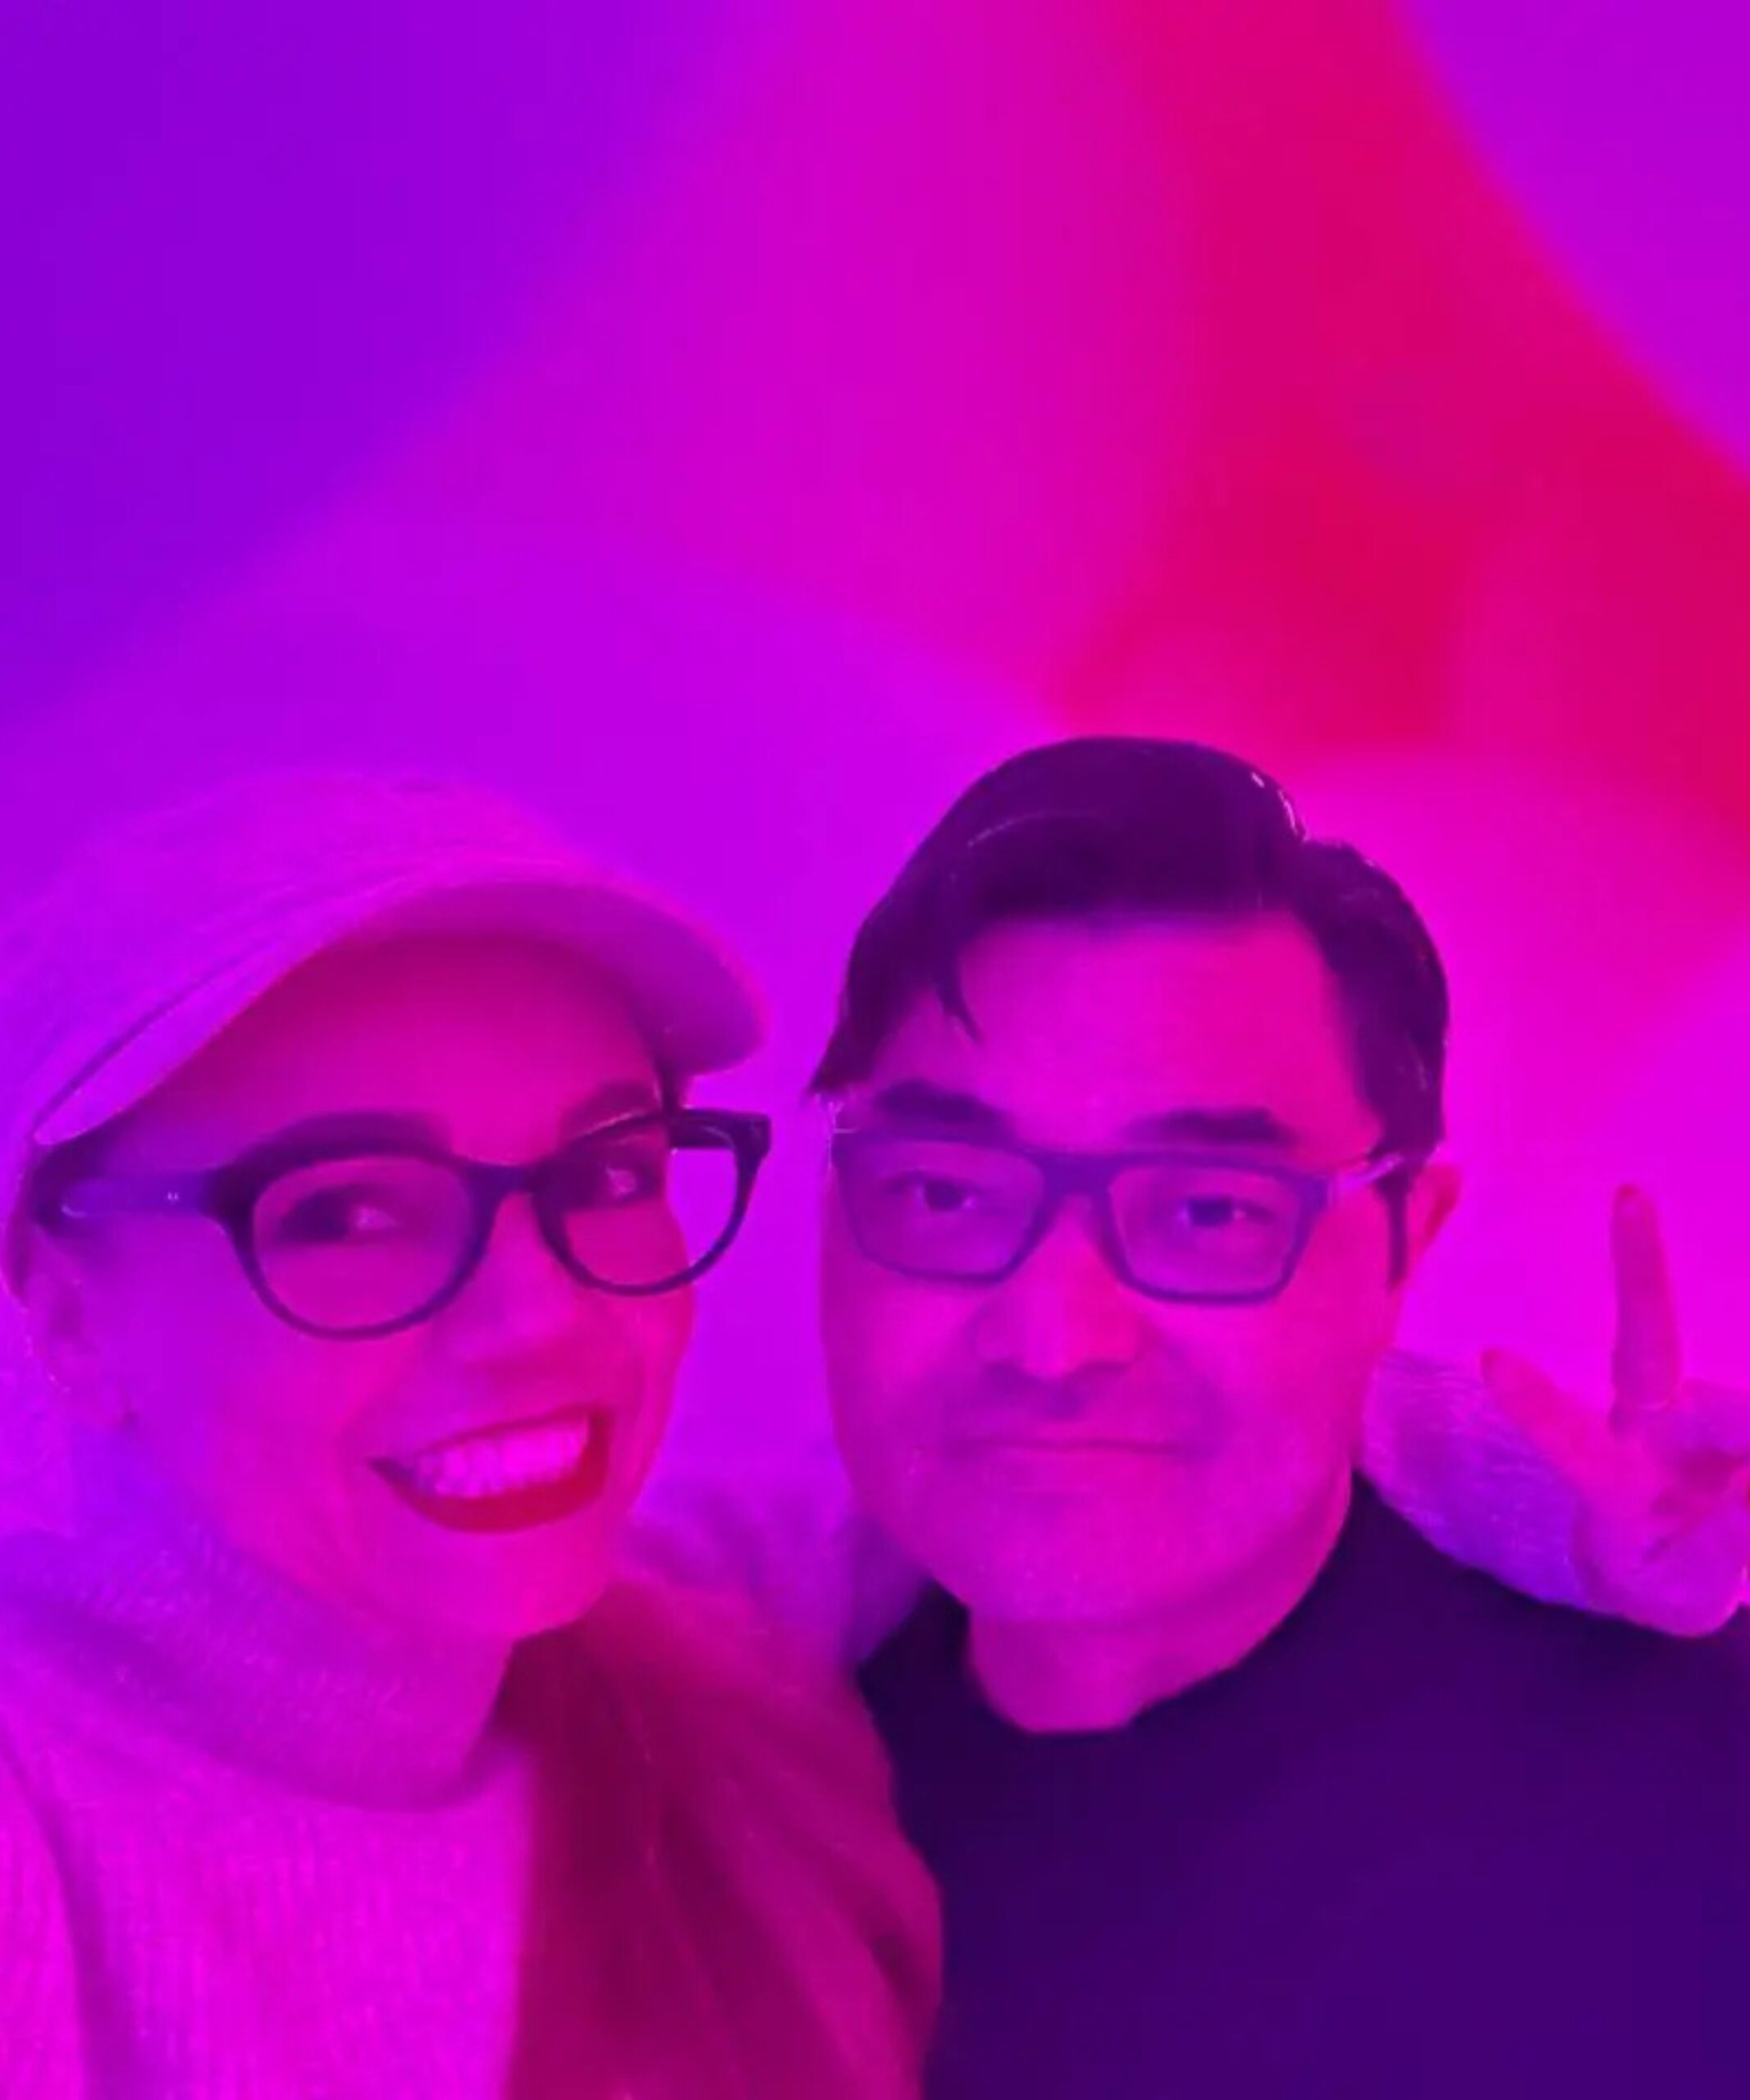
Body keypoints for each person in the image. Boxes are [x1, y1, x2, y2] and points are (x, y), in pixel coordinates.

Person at [653, 737, 1750, 2098]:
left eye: (1206, 1212)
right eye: (946, 1193)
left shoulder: (1692, 1807)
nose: (1053, 1342)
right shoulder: (722, 1829)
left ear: (1402, 1245)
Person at [0, 773, 938, 2100]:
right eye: (347, 1213)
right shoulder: (37, 1818)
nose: (537, 1317)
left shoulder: (723, 1681)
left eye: (605, 1175)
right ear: (67, 1312)